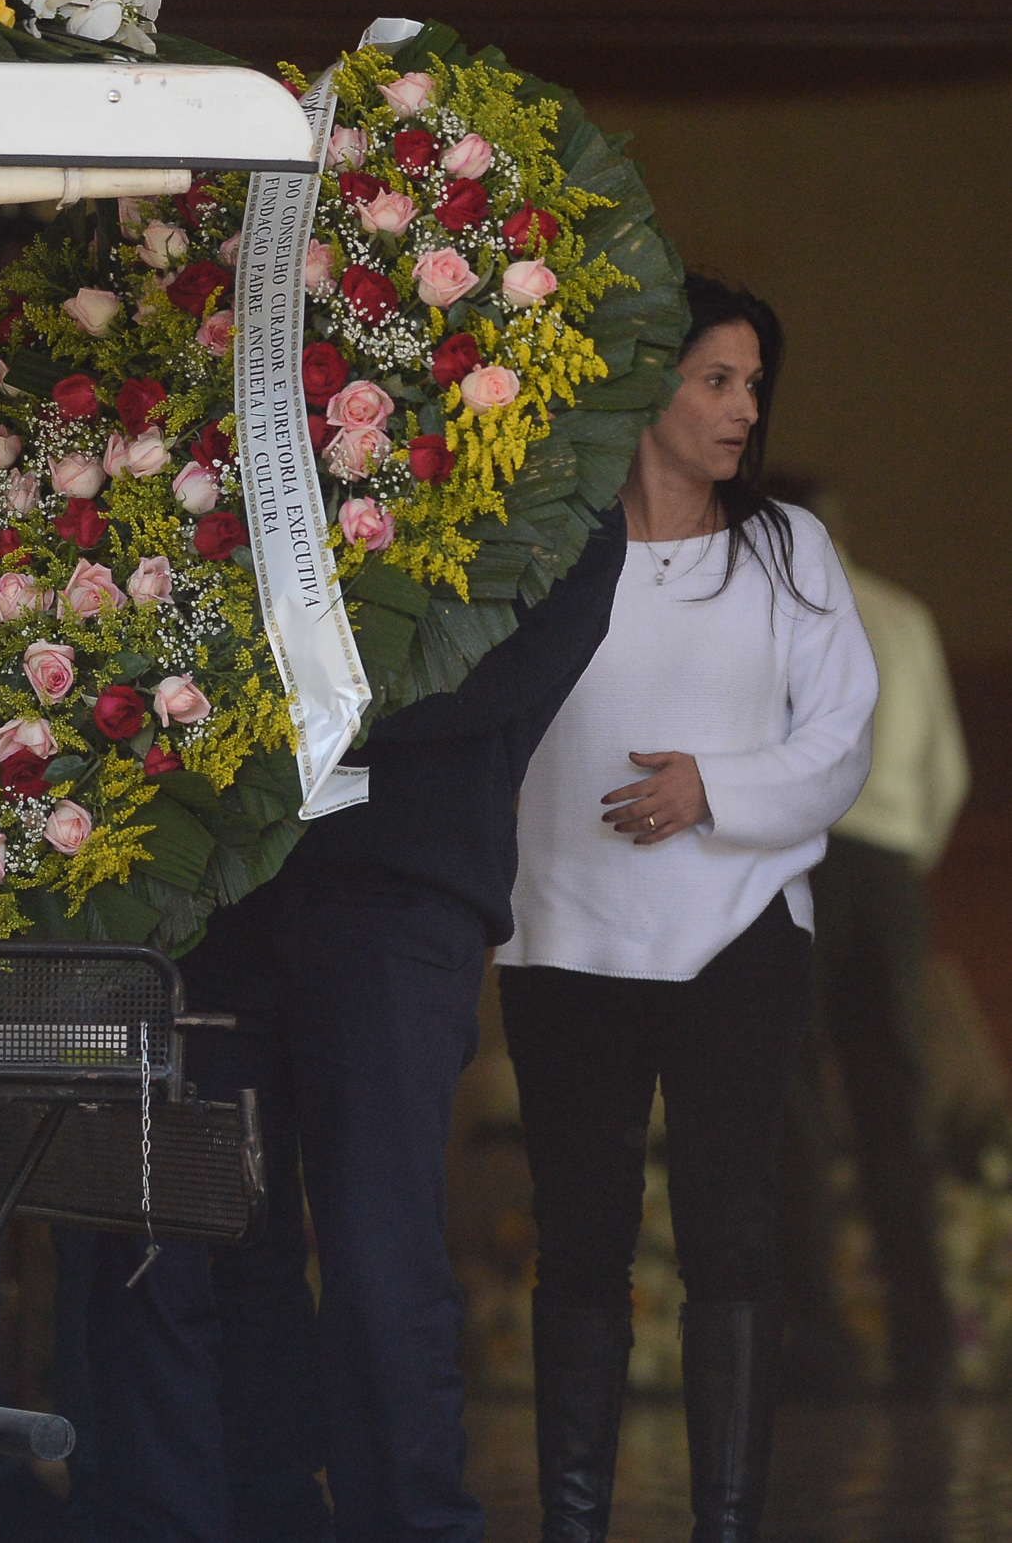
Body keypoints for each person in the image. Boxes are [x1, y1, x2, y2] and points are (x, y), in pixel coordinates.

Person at [92, 456, 631, 1538]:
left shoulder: (559, 464)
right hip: (226, 885)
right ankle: (264, 1513)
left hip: (398, 890)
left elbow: (506, 672)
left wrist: (291, 694)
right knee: (222, 1237)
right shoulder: (250, 429)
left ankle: (408, 1521)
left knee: (378, 1243)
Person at [497, 275, 877, 1543]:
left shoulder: (788, 553)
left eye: (753, 386)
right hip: (561, 933)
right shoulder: (548, 541)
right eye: (716, 380)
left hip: (739, 935)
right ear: (648, 383)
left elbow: (840, 745)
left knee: (729, 1242)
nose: (741, 408)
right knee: (582, 1246)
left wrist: (711, 786)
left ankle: (725, 1525)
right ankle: (572, 1522)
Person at [765, 474, 969, 1401]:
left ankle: (816, 1341)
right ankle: (927, 1341)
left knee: (795, 1102)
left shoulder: (762, 616)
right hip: (887, 871)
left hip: (798, 863)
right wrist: (897, 862)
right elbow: (946, 775)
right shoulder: (905, 615)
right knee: (898, 1109)